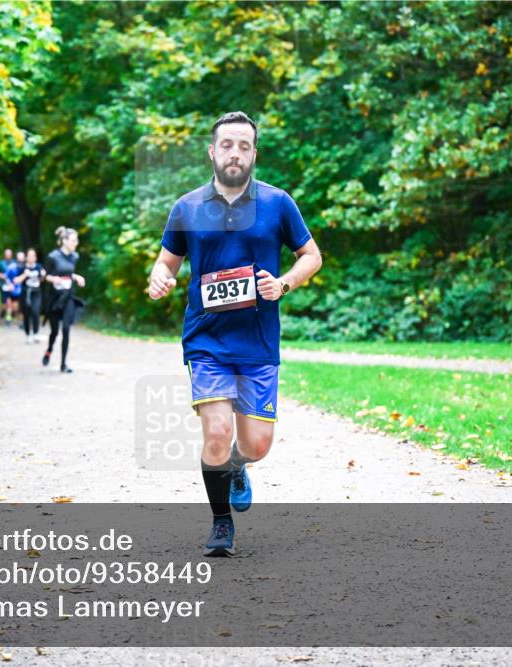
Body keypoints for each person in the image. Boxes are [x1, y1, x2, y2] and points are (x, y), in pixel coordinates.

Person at [148, 111, 322, 556]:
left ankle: (239, 468)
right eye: (227, 144)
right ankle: (221, 522)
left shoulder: (277, 203)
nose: (235, 153)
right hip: (207, 341)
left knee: (256, 446)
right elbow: (166, 261)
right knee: (217, 435)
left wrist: (283, 284)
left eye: (244, 146)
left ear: (254, 153)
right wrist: (159, 278)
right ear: (212, 150)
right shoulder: (187, 207)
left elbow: (311, 256)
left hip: (259, 343)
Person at [42, 227, 85, 373]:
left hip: (68, 297)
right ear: (64, 241)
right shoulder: (53, 256)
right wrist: (52, 279)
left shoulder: (75, 256)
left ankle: (63, 364)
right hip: (55, 298)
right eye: (73, 240)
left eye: (77, 240)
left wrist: (76, 277)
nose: (76, 243)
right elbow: (45, 275)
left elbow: (69, 273)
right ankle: (49, 350)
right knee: (54, 332)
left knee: (66, 329)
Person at [14, 247, 45, 343]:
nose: (31, 257)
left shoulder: (39, 267)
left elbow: (42, 280)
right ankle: (28, 334)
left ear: (35, 257)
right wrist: (25, 275)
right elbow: (15, 281)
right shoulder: (22, 267)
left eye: (33, 255)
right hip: (25, 293)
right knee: (26, 314)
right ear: (26, 257)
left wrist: (43, 275)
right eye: (29, 255)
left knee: (35, 312)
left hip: (36, 292)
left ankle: (36, 333)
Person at [0, 248, 19, 325]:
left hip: (13, 285)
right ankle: (5, 311)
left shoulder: (15, 263)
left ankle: (9, 317)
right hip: (3, 285)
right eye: (6, 253)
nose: (8, 255)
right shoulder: (0, 263)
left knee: (11, 302)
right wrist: (1, 275)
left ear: (11, 255)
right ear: (4, 255)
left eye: (9, 253)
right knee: (5, 303)